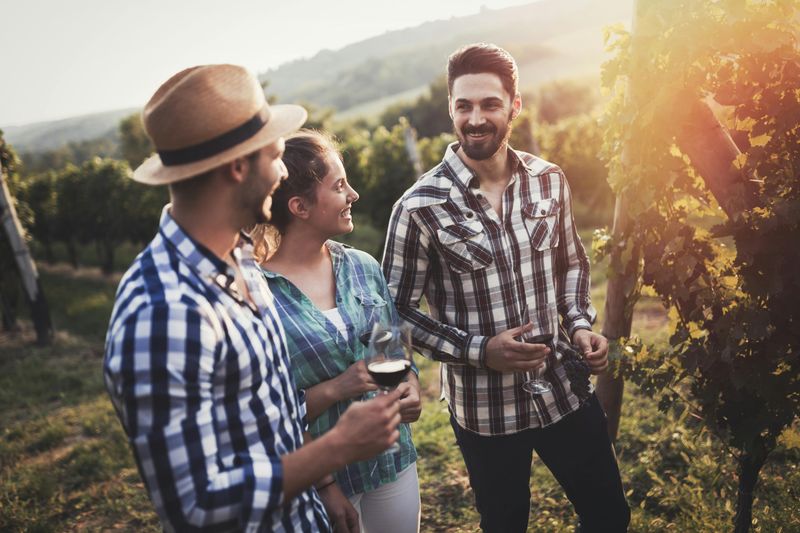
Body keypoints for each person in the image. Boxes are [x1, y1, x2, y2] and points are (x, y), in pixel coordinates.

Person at [104, 64, 403, 533]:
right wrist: (337, 448)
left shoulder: (242, 260)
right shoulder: (163, 312)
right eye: (278, 154)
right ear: (239, 166)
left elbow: (274, 412)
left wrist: (322, 480)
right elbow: (195, 505)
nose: (283, 171)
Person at [382, 43, 630, 533]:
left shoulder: (549, 180)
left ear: (515, 106)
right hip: (484, 409)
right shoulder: (418, 208)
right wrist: (480, 350)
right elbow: (393, 315)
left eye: (489, 104)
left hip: (564, 386)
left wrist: (580, 325)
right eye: (463, 106)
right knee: (505, 523)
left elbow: (571, 264)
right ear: (451, 108)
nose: (475, 119)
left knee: (609, 515)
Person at [253, 130, 422, 533]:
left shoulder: (363, 266)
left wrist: (410, 381)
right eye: (340, 185)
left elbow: (391, 347)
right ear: (300, 206)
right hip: (325, 483)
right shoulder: (260, 298)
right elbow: (268, 413)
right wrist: (334, 389)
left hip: (392, 460)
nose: (354, 195)